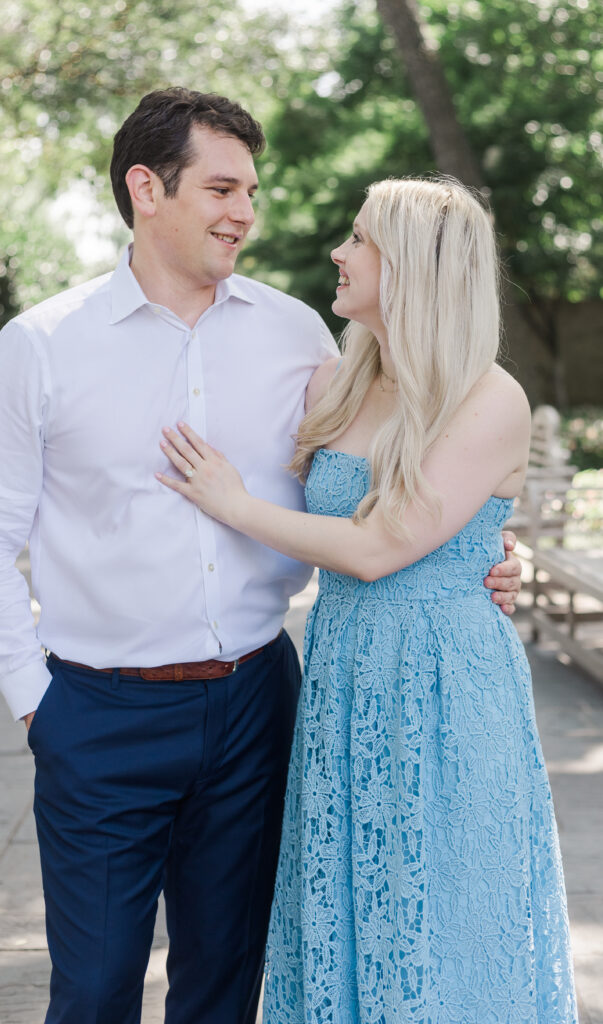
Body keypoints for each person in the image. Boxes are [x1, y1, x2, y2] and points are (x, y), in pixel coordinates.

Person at [0, 90, 521, 1024]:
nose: (244, 213)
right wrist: (37, 705)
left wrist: (479, 552)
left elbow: (388, 482)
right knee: (91, 992)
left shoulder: (300, 337)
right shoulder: (41, 347)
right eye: (221, 189)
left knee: (226, 984)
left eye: (251, 190)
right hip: (99, 713)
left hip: (261, 702)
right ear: (146, 189)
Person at [156, 178, 578, 1022]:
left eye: (358, 240)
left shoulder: (487, 397)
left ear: (414, 265)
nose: (338, 253)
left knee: (444, 915)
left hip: (445, 686)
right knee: (348, 901)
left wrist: (234, 503)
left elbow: (379, 548)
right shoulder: (336, 382)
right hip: (345, 674)